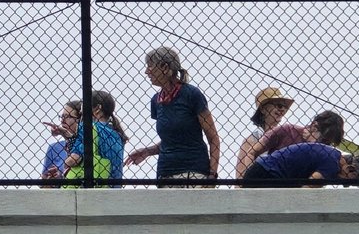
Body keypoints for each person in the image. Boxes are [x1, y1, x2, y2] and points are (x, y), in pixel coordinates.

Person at [124, 46, 220, 185]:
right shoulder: (156, 100)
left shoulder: (192, 95)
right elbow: (172, 140)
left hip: (194, 172)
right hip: (165, 173)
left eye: (150, 66)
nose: (146, 72)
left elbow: (213, 138)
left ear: (164, 67)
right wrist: (147, 151)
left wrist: (212, 175)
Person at [46, 91, 127, 186]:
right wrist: (68, 135)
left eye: (83, 107)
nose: (81, 112)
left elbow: (75, 159)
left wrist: (65, 163)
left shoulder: (86, 127)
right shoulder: (118, 135)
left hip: (92, 188)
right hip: (113, 188)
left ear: (97, 108)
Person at [236, 111, 345, 177]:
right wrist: (248, 180)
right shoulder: (287, 130)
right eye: (324, 140)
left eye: (328, 143)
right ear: (314, 126)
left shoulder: (322, 154)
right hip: (269, 176)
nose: (324, 146)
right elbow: (251, 152)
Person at [241, 142, 359, 187]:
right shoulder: (332, 164)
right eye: (348, 182)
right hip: (267, 174)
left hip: (263, 170)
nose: (344, 184)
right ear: (350, 168)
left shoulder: (330, 154)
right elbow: (309, 188)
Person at [235, 88, 294, 178]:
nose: (282, 109)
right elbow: (240, 176)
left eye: (285, 107)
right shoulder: (252, 140)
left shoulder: (286, 137)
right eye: (278, 105)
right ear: (263, 109)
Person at [40, 100, 81, 181]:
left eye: (67, 116)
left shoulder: (88, 144)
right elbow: (44, 183)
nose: (62, 120)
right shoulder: (54, 148)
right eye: (62, 117)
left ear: (80, 120)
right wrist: (52, 179)